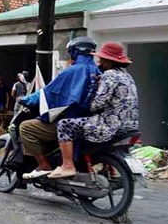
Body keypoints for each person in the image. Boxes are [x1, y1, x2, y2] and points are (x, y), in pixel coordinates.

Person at [48, 42, 139, 179]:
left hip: (109, 125)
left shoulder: (109, 75)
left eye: (101, 58)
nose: (99, 61)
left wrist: (90, 101)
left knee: (64, 125)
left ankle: (67, 165)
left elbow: (97, 104)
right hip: (129, 126)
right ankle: (111, 170)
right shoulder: (127, 76)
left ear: (108, 60)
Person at [18, 37, 100, 179]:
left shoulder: (72, 71)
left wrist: (27, 99)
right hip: (92, 122)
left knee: (26, 127)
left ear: (75, 52)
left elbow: (49, 92)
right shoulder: (98, 72)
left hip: (72, 121)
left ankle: (44, 166)